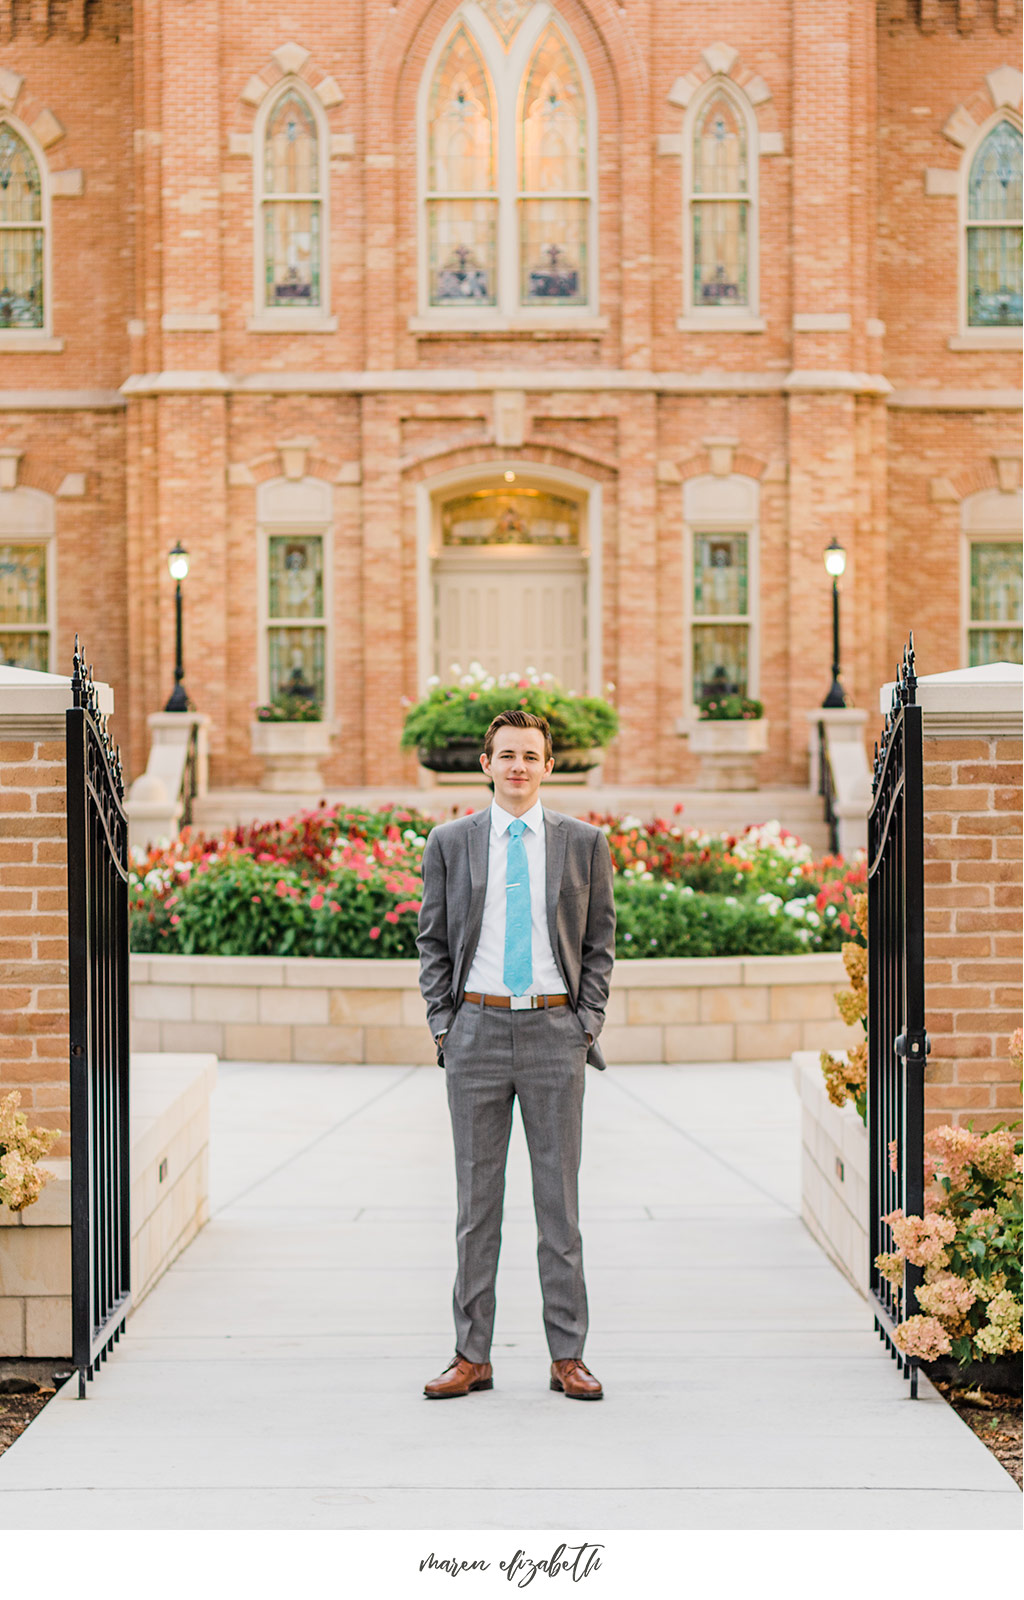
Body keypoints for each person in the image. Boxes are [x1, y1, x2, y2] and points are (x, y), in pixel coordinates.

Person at [416, 709, 616, 1401]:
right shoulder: (450, 842)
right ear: (486, 764)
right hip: (474, 1032)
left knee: (558, 1206)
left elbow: (600, 945)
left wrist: (584, 1023)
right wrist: (445, 1025)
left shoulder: (584, 844)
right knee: (478, 1207)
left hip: (554, 1035)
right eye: (506, 755)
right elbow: (433, 942)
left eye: (530, 755)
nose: (518, 767)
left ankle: (568, 1356)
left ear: (549, 765)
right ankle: (472, 1355)